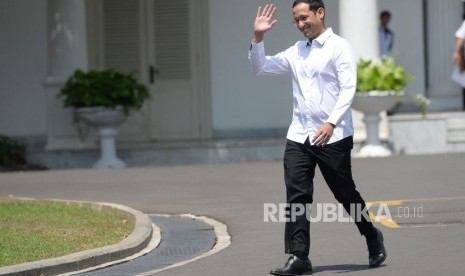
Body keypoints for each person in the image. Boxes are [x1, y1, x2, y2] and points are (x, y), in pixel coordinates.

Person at [248, 1, 387, 275]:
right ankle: (299, 257)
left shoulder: (340, 47)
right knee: (297, 196)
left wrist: (331, 122)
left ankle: (372, 235)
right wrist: (258, 37)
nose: (301, 25)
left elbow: (348, 89)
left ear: (319, 13)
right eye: (296, 21)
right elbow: (260, 68)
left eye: (304, 18)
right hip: (299, 136)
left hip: (332, 137)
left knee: (344, 193)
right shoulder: (296, 51)